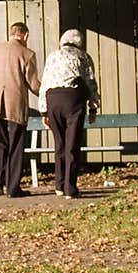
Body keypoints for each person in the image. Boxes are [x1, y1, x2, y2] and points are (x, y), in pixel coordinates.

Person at [38, 28, 99, 199]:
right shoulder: (83, 57)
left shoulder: (52, 56)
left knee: (59, 144)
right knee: (72, 145)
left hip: (53, 100)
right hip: (73, 100)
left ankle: (58, 185)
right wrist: (93, 107)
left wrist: (44, 110)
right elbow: (90, 82)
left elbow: (45, 82)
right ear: (79, 42)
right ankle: (69, 188)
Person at [0, 21, 41, 198]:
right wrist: (46, 93)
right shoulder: (27, 54)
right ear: (25, 35)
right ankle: (13, 187)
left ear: (11, 33)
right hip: (14, 104)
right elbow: (33, 84)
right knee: (16, 144)